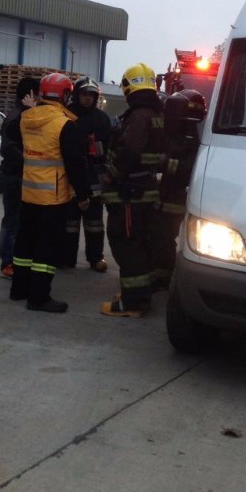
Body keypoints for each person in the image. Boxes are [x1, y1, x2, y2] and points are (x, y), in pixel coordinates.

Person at [8, 73, 92, 313]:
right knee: (47, 249)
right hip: (53, 198)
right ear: (66, 95)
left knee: (24, 245)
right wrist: (84, 195)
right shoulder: (65, 124)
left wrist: (30, 108)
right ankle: (39, 297)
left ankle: (19, 290)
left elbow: (11, 132)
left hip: (28, 195)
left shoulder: (26, 118)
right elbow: (76, 163)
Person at [100, 63, 166, 317]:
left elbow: (129, 154)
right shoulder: (155, 113)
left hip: (130, 192)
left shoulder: (138, 116)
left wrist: (110, 177)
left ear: (128, 87)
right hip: (145, 188)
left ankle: (134, 302)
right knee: (141, 242)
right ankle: (142, 292)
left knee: (126, 243)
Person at [153, 88, 207, 291]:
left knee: (165, 235)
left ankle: (164, 277)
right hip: (165, 192)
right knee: (159, 234)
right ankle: (159, 272)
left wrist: (165, 163)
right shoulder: (174, 132)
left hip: (178, 195)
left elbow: (189, 169)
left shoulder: (194, 137)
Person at [62, 76, 111, 272]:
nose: (88, 99)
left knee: (95, 222)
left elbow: (108, 147)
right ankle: (67, 258)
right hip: (70, 175)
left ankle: (95, 258)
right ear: (76, 95)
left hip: (95, 176)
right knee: (69, 222)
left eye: (92, 95)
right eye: (84, 94)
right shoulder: (67, 116)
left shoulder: (102, 119)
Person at [0, 77, 40, 279]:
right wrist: (28, 160)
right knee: (12, 221)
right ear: (29, 95)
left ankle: (18, 260)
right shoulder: (17, 117)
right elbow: (7, 148)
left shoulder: (26, 115)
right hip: (14, 176)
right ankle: (8, 262)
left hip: (23, 176)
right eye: (37, 94)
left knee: (21, 221)